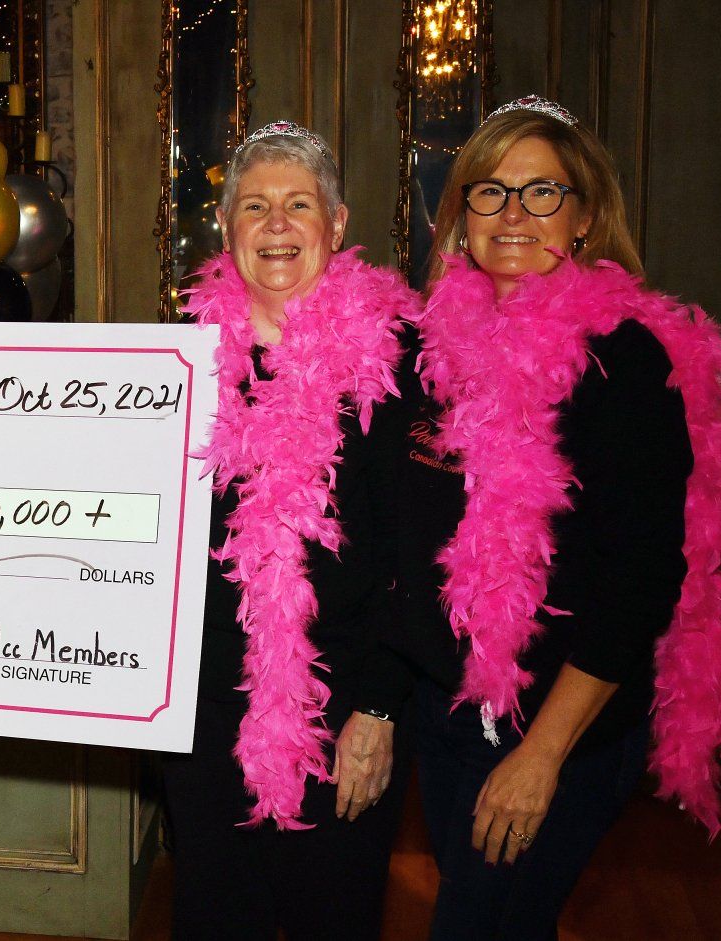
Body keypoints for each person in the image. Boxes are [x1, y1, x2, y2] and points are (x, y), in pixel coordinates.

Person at [409, 95, 721, 939]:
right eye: (489, 191)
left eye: (542, 192)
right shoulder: (441, 349)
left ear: (587, 213)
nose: (513, 213)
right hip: (451, 716)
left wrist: (540, 757)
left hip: (553, 731)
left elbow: (638, 578)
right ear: (462, 216)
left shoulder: (624, 362)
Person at [166, 121, 436, 941]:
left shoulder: (400, 365)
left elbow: (421, 555)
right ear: (226, 229)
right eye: (255, 207)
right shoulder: (178, 362)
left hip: (344, 706)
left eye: (298, 204)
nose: (276, 225)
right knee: (214, 919)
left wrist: (382, 708)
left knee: (335, 917)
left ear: (338, 224)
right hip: (203, 711)